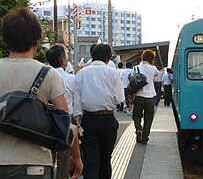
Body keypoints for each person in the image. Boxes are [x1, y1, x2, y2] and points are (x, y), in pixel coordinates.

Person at [0, 7, 83, 178]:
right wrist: (76, 156)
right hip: (35, 165)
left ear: (5, 40)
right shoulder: (49, 74)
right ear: (38, 40)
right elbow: (65, 123)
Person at [74, 43, 125, 179]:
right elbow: (120, 99)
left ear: (92, 56)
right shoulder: (113, 73)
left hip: (88, 121)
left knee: (91, 161)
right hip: (108, 120)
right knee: (105, 159)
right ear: (108, 58)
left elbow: (77, 103)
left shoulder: (81, 73)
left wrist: (77, 124)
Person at [46, 44, 76, 179]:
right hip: (65, 124)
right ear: (63, 60)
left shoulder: (43, 77)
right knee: (63, 162)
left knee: (47, 161)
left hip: (46, 124)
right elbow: (77, 105)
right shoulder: (71, 79)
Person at [131, 49, 158, 144]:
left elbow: (131, 78)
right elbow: (156, 76)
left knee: (136, 115)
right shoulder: (153, 69)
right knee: (148, 118)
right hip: (150, 96)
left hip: (138, 96)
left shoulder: (136, 68)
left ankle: (139, 129)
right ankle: (145, 138)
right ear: (151, 58)